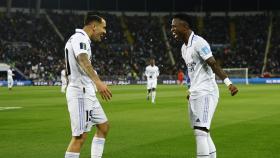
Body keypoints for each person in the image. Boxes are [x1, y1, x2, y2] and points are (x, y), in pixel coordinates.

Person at [171, 14, 238, 158]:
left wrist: (228, 83)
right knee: (202, 132)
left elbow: (213, 63)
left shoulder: (199, 43)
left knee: (201, 131)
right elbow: (192, 72)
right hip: (195, 92)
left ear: (185, 26)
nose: (172, 29)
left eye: (174, 26)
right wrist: (191, 89)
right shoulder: (184, 48)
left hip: (207, 91)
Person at [64, 12, 112, 158]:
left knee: (103, 126)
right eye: (103, 28)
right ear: (94, 26)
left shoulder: (82, 39)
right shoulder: (79, 38)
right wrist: (98, 82)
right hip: (80, 92)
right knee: (79, 137)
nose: (105, 32)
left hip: (87, 91)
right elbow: (83, 59)